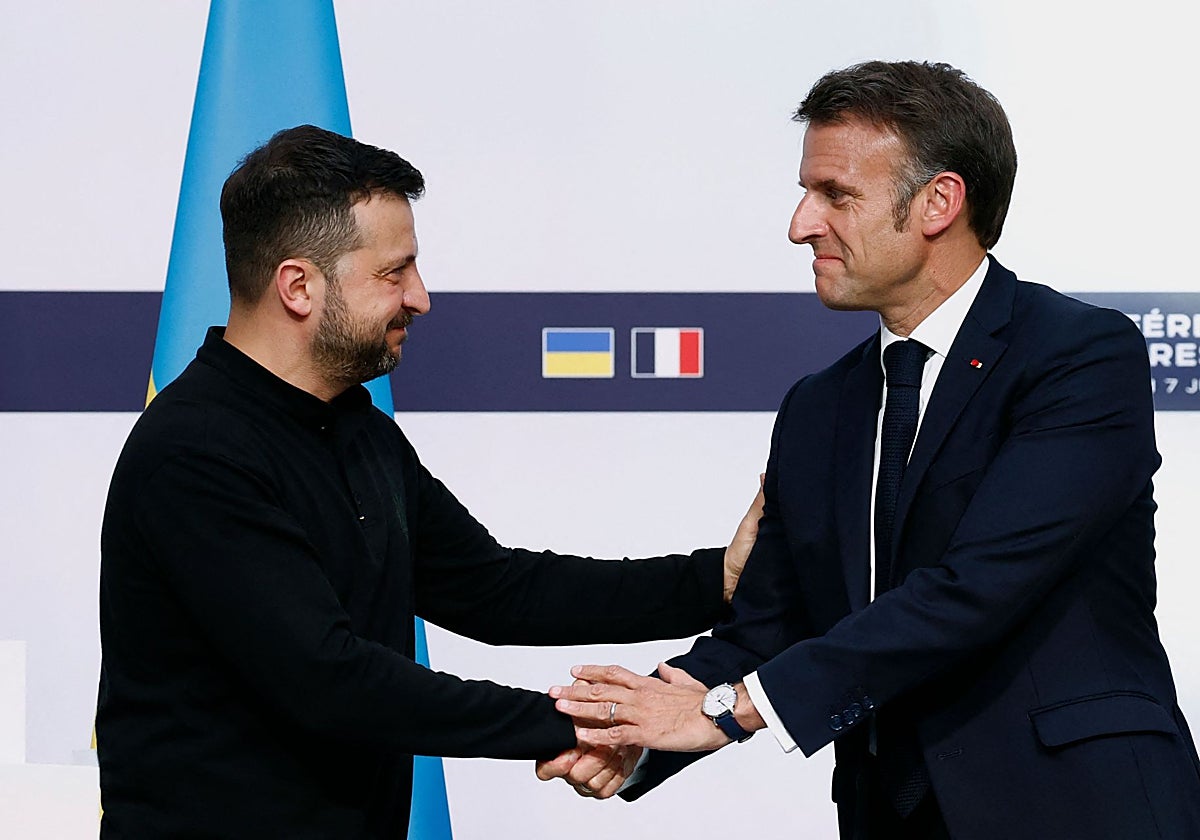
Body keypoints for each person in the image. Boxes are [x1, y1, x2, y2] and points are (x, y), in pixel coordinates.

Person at [542, 60, 1200, 838]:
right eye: (805, 192)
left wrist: (727, 710)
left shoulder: (1079, 356)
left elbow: (977, 587)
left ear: (938, 203)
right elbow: (772, 622)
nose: (800, 224)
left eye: (836, 196)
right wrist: (635, 733)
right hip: (887, 812)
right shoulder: (819, 406)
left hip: (1079, 807)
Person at [96, 124, 763, 839]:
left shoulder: (357, 429)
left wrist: (717, 581)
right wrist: (581, 722)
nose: (420, 297)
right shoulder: (195, 452)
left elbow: (499, 591)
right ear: (298, 286)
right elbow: (330, 681)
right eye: (395, 272)